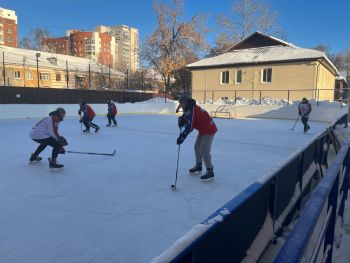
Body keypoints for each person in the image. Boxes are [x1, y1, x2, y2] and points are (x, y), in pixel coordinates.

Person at [177, 95, 217, 181]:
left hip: (209, 129)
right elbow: (186, 117)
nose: (180, 106)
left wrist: (182, 137)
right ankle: (198, 166)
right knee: (196, 147)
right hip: (203, 129)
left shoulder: (193, 111)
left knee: (203, 150)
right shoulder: (190, 108)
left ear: (186, 103)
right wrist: (182, 120)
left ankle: (210, 171)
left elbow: (190, 127)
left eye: (181, 104)